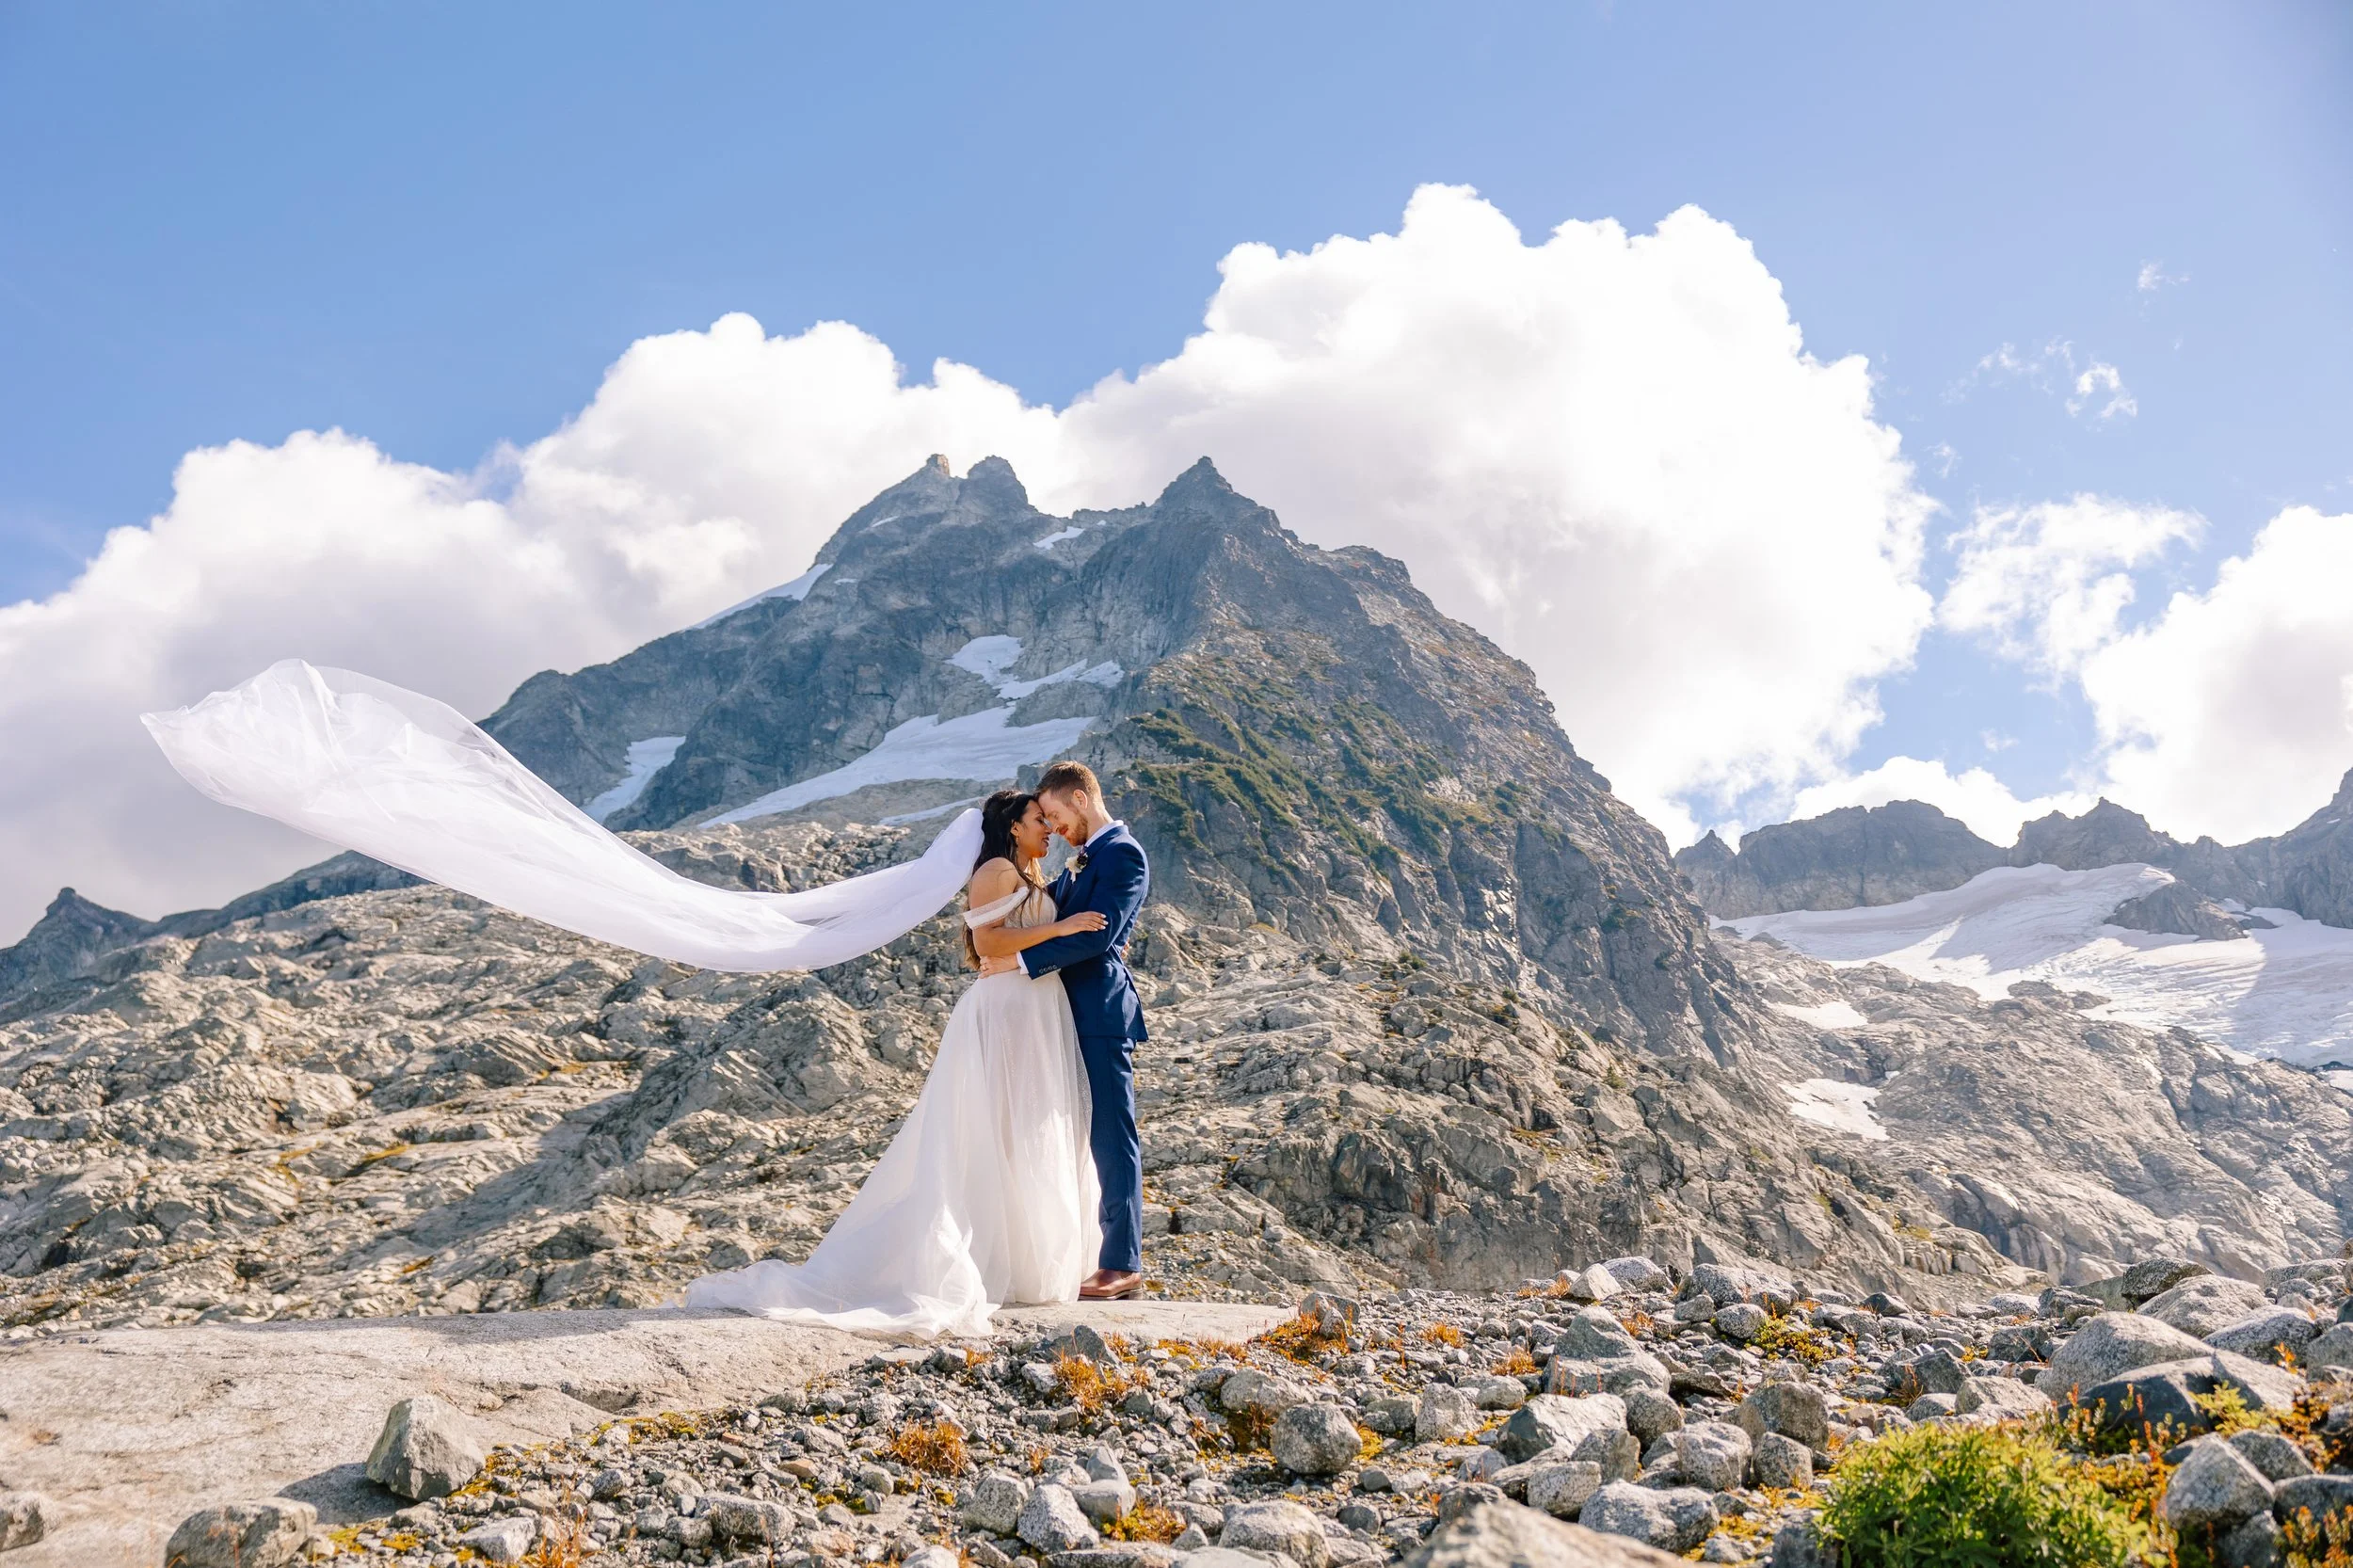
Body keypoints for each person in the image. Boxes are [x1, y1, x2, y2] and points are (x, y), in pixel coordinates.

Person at [682, 789, 1108, 1335]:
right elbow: (987, 943)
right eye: (1036, 820)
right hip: (1004, 1011)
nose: (1047, 827)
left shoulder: (1027, 873)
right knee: (993, 1126)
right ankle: (981, 1259)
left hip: (1033, 1009)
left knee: (1023, 1125)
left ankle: (1025, 1261)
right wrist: (1062, 928)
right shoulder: (997, 870)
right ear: (1011, 826)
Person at [997, 760, 1152, 1302]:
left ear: (1081, 800)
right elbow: (1054, 916)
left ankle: (1122, 1263)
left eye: (1058, 815)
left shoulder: (1123, 854)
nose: (1056, 827)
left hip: (1100, 1011)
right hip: (1062, 1012)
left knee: (1112, 1132)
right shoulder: (1082, 861)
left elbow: (1099, 936)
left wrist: (1018, 964)